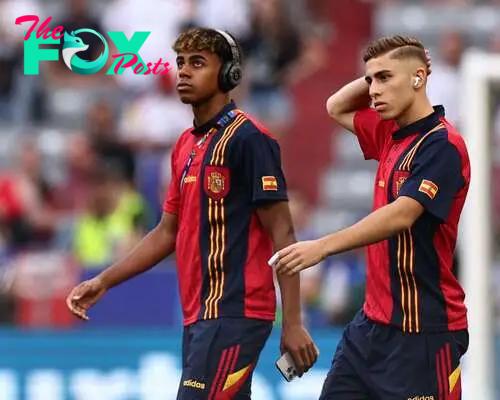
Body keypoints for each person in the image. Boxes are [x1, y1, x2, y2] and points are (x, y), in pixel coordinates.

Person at [66, 27, 318, 400]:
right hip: (199, 315)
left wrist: (293, 321)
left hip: (236, 312)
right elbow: (167, 232)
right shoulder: (185, 144)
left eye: (197, 63)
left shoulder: (250, 140)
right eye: (181, 63)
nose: (183, 71)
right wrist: (104, 281)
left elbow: (283, 233)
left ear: (228, 74)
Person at [274, 35, 471, 399]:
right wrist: (378, 73)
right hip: (369, 330)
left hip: (423, 335)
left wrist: (323, 246)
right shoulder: (389, 134)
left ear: (418, 78)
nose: (374, 90)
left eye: (384, 78)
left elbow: (402, 214)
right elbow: (335, 106)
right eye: (370, 80)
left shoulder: (443, 146)